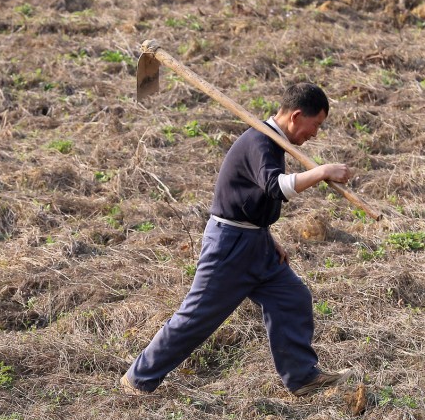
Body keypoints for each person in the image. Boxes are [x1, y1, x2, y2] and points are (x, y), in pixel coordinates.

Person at [120, 82, 352, 398]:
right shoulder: (259, 141)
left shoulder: (273, 142)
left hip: (256, 243)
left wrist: (267, 237)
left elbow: (253, 198)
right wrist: (322, 171)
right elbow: (276, 186)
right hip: (230, 247)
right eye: (317, 125)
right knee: (197, 317)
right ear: (297, 116)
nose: (316, 133)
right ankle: (138, 379)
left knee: (291, 298)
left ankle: (302, 377)